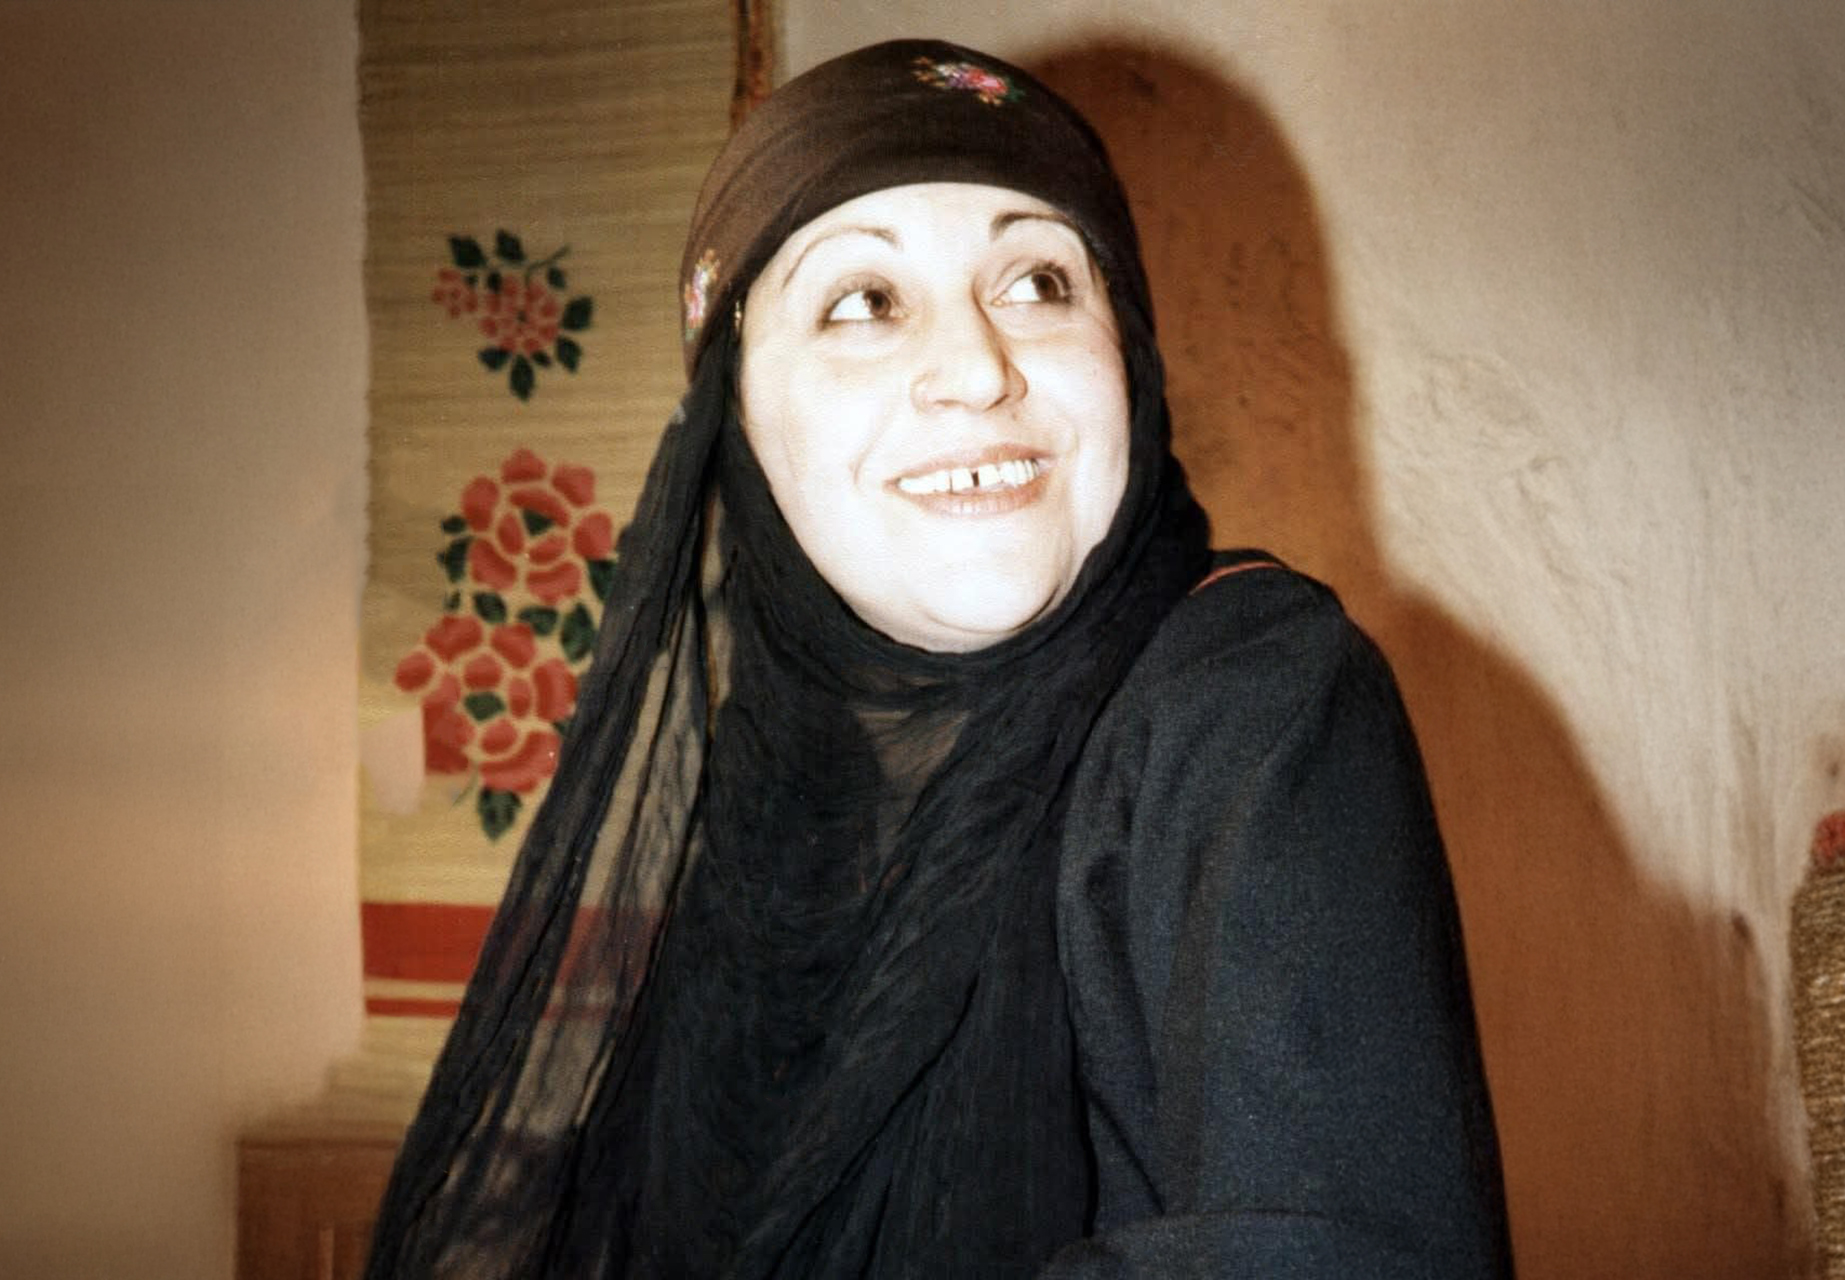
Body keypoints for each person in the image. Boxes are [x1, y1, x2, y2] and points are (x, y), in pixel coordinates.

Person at [364, 39, 1513, 1279]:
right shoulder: (777, 818)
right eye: (864, 301)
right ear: (736, 421)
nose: (975, 368)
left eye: (1039, 282)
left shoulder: (1250, 704)